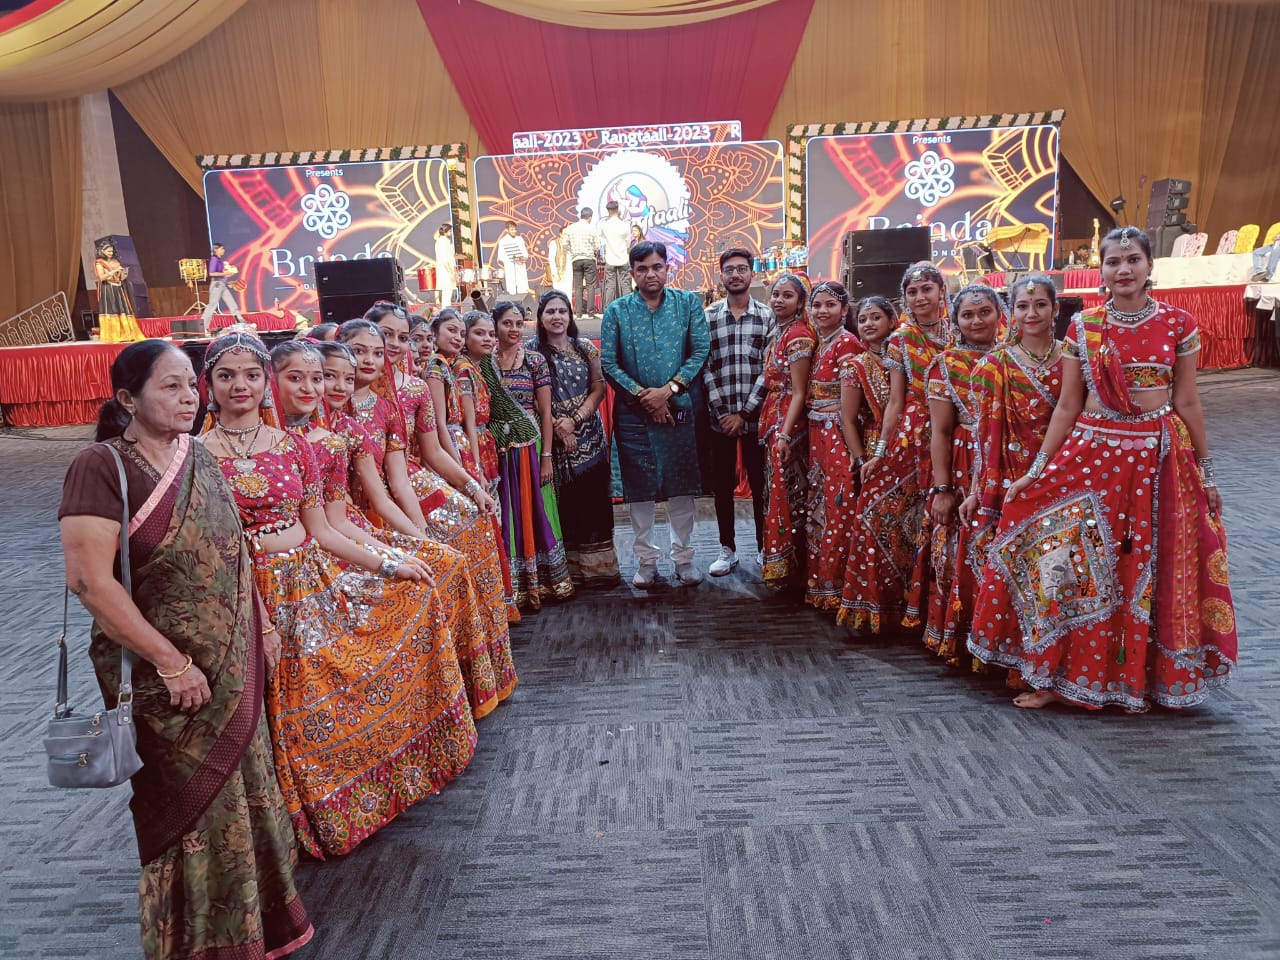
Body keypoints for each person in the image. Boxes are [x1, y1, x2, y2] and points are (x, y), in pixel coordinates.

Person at [59, 340, 312, 960]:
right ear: (127, 399)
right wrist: (171, 662)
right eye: (169, 387)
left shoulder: (196, 455)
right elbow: (90, 581)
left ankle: (257, 933)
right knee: (191, 810)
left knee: (247, 798)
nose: (187, 398)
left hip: (233, 667)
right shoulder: (101, 466)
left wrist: (264, 630)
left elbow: (235, 556)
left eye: (187, 386)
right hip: (168, 682)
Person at [198, 332, 478, 858]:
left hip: (308, 580)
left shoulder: (292, 447)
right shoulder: (196, 457)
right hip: (242, 592)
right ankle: (280, 823)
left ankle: (362, 795)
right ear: (207, 385)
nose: (241, 385)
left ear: (264, 386)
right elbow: (212, 548)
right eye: (227, 375)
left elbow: (325, 530)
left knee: (405, 606)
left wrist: (390, 561)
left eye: (251, 375)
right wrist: (256, 613)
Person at [969, 227, 1237, 711]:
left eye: (1133, 259)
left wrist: (1207, 472)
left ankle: (1146, 678)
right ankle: (1055, 673)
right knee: (1074, 559)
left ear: (1150, 265)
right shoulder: (1084, 327)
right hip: (1095, 451)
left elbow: (1188, 401)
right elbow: (1069, 406)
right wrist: (1038, 469)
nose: (1124, 270)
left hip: (1159, 458)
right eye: (1113, 262)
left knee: (1150, 566)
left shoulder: (1179, 324)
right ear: (1102, 271)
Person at [274, 339, 502, 721]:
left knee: (447, 559)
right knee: (421, 586)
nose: (328, 387)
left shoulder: (342, 431)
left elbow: (381, 493)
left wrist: (417, 543)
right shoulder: (294, 441)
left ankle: (448, 701)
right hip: (313, 549)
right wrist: (392, 559)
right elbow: (330, 524)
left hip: (347, 529)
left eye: (326, 378)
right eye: (322, 377)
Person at [338, 318, 521, 681]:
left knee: (476, 526)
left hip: (403, 483)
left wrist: (472, 488)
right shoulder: (330, 404)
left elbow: (426, 455)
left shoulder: (403, 396)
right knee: (437, 563)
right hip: (353, 507)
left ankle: (477, 668)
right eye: (375, 341)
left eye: (400, 338)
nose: (389, 346)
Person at [600, 241, 711, 587]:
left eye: (657, 266)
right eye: (643, 268)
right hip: (634, 415)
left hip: (678, 409)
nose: (651, 274)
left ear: (668, 268)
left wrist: (668, 392)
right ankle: (646, 560)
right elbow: (609, 363)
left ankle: (684, 557)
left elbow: (700, 350)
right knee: (640, 490)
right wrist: (645, 398)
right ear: (632, 272)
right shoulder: (617, 311)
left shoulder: (688, 303)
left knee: (681, 487)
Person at [861, 263, 954, 626]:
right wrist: (880, 451)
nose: (920, 298)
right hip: (914, 433)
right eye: (913, 292)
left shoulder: (958, 329)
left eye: (927, 290)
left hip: (956, 429)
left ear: (941, 291)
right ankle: (898, 603)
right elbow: (896, 401)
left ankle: (938, 609)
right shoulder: (901, 339)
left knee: (944, 518)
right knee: (892, 512)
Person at [923, 284, 1001, 665]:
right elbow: (939, 430)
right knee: (964, 551)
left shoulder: (1015, 358)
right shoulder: (945, 365)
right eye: (967, 315)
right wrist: (942, 489)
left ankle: (1005, 641)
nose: (976, 320)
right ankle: (965, 638)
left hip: (1010, 465)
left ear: (1000, 315)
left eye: (984, 311)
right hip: (963, 465)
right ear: (955, 321)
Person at [488, 300, 575, 608]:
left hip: (531, 448)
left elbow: (545, 410)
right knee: (505, 514)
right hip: (496, 449)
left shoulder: (534, 361)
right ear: (495, 326)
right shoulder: (484, 361)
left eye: (518, 323)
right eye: (506, 323)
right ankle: (513, 587)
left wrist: (547, 456)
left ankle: (547, 583)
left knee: (538, 509)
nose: (513, 329)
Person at [531, 289, 620, 586]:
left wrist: (576, 420)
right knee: (563, 503)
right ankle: (567, 572)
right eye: (550, 312)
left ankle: (599, 571)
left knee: (593, 501)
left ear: (570, 316)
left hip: (590, 438)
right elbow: (530, 397)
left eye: (562, 311)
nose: (557, 317)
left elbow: (599, 388)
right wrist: (558, 426)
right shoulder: (532, 353)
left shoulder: (585, 348)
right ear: (540, 318)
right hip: (551, 441)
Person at [838, 296, 914, 633]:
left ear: (892, 319)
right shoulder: (855, 366)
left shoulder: (912, 354)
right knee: (877, 529)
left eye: (876, 317)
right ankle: (876, 607)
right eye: (863, 319)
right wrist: (860, 459)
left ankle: (912, 605)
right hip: (875, 450)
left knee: (911, 530)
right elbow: (848, 419)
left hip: (914, 448)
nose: (868, 324)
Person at [702, 248, 774, 576]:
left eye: (741, 269)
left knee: (761, 484)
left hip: (756, 418)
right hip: (719, 420)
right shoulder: (708, 316)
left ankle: (763, 546)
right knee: (722, 484)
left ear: (751, 274)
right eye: (729, 269)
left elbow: (769, 370)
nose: (735, 274)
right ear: (721, 276)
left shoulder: (766, 316)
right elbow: (704, 367)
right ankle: (726, 548)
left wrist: (744, 414)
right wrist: (722, 413)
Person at [804, 281, 862, 610]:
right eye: (817, 305)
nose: (823, 311)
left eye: (830, 305)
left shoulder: (847, 344)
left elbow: (848, 404)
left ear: (844, 309)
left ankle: (837, 587)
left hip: (837, 433)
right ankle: (819, 583)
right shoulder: (821, 343)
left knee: (838, 507)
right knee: (819, 508)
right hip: (817, 434)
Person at [759, 273, 816, 589]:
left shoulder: (797, 336)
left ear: (800, 302)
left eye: (787, 295)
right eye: (775, 295)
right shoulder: (780, 331)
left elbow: (798, 391)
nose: (779, 300)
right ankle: (785, 566)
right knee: (779, 492)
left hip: (789, 423)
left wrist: (784, 433)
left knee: (790, 493)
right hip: (777, 417)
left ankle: (794, 569)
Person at [93, 239, 144, 343]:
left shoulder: (115, 262)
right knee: (112, 309)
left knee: (122, 309)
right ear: (102, 251)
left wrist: (122, 274)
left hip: (118, 287)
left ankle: (127, 334)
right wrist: (113, 271)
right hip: (108, 288)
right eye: (108, 251)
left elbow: (119, 276)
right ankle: (114, 335)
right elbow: (102, 277)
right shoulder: (100, 263)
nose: (110, 254)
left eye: (111, 251)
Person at [200, 242, 246, 331]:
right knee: (212, 305)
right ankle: (203, 327)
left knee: (231, 303)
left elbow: (221, 274)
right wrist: (225, 273)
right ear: (216, 250)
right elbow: (211, 273)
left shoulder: (219, 260)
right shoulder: (214, 259)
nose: (223, 250)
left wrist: (228, 275)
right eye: (222, 249)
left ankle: (241, 321)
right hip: (217, 284)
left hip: (221, 283)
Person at [562, 207, 600, 316]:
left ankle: (578, 313)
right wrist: (592, 250)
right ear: (590, 217)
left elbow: (564, 244)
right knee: (590, 286)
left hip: (576, 259)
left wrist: (573, 250)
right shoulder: (591, 228)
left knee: (578, 286)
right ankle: (590, 312)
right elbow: (597, 245)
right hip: (589, 259)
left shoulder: (571, 228)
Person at [599, 200, 632, 309]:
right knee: (625, 284)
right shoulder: (625, 225)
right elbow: (628, 243)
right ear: (618, 210)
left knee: (610, 285)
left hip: (610, 259)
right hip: (623, 258)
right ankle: (627, 308)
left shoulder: (604, 225)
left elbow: (602, 241)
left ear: (608, 211)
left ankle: (608, 309)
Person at [495, 220, 530, 296]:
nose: (514, 231)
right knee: (512, 291)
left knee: (523, 290)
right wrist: (512, 260)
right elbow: (500, 257)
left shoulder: (519, 239)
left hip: (520, 267)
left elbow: (525, 254)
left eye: (515, 229)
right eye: (512, 229)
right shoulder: (503, 241)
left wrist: (520, 259)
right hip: (510, 269)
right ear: (506, 230)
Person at [435, 223, 458, 306]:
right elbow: (445, 259)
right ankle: (446, 312)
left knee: (448, 293)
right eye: (450, 231)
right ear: (445, 232)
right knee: (447, 293)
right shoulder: (442, 242)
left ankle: (447, 311)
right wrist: (451, 272)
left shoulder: (445, 242)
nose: (451, 233)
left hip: (447, 270)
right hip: (445, 271)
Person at [546, 224, 572, 294]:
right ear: (560, 234)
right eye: (565, 234)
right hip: (558, 272)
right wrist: (555, 273)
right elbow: (551, 259)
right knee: (559, 294)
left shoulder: (570, 244)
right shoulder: (554, 243)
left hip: (568, 273)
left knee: (568, 293)